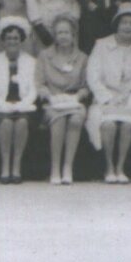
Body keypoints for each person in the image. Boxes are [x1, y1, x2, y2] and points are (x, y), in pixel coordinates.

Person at [0, 16, 40, 183]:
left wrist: (22, 104)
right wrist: (4, 105)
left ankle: (16, 167)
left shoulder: (31, 62)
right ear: (2, 40)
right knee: (7, 123)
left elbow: (34, 89)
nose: (12, 41)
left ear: (21, 40)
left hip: (25, 106)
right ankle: (5, 167)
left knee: (22, 123)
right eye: (8, 38)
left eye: (16, 38)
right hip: (1, 106)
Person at [38, 13, 90, 185]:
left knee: (76, 119)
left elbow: (86, 86)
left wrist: (77, 96)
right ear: (54, 35)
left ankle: (67, 167)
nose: (63, 36)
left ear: (73, 34)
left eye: (67, 32)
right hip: (52, 103)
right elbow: (40, 83)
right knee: (58, 119)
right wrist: (50, 97)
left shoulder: (82, 57)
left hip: (74, 102)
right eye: (59, 33)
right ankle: (55, 168)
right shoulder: (44, 56)